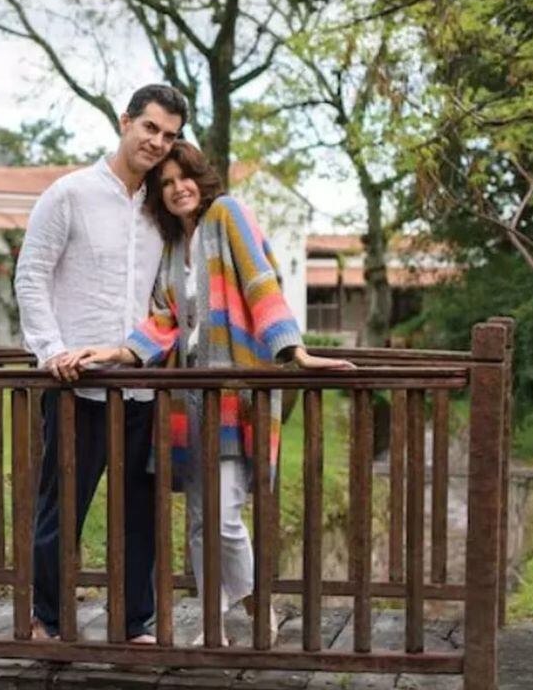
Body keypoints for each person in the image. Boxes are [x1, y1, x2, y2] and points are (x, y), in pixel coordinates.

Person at [58, 140, 353, 645]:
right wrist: (112, 352)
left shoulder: (227, 215)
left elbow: (262, 282)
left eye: (184, 177)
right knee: (198, 522)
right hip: (186, 403)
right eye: (166, 183)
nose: (177, 189)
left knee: (224, 516)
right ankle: (213, 622)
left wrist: (294, 351)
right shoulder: (173, 247)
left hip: (234, 395)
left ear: (202, 177)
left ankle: (258, 607)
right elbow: (164, 322)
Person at [15, 84, 188, 643]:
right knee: (62, 509)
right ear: (125, 122)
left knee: (141, 514)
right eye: (151, 129)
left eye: (170, 135)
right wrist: (51, 351)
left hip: (141, 385)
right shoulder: (69, 195)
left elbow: (168, 298)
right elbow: (32, 275)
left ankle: (134, 623)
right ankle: (49, 619)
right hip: (75, 384)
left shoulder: (161, 211)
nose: (158, 143)